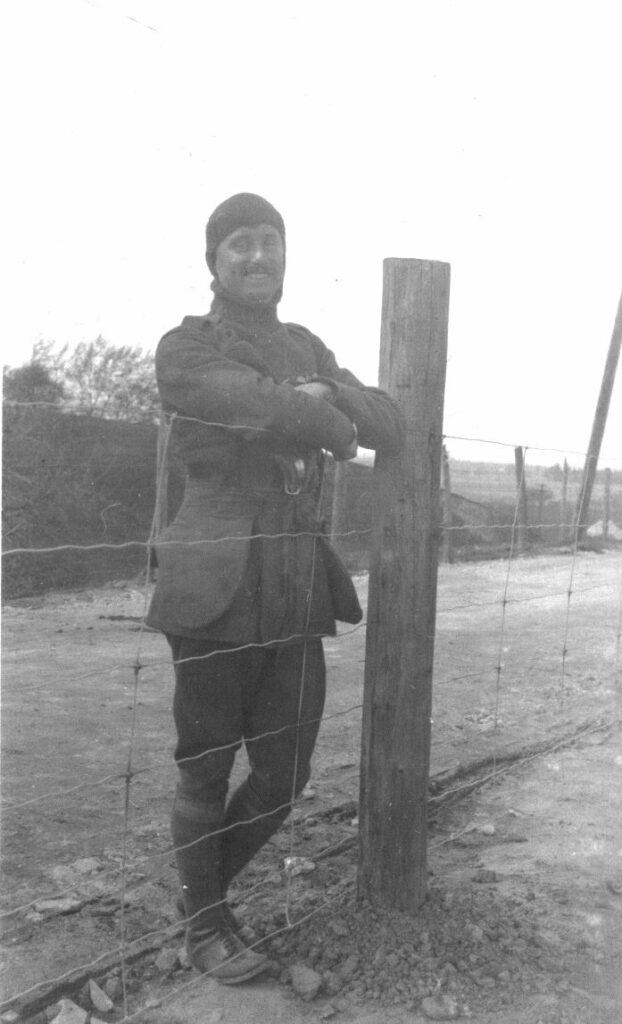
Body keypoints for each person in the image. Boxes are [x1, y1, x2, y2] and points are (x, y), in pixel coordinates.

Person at [146, 192, 401, 983]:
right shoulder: (185, 347)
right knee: (206, 765)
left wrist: (324, 400)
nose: (259, 257)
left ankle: (200, 908)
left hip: (296, 587)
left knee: (286, 772)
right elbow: (247, 401)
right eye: (241, 246)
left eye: (271, 243)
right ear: (213, 262)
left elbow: (386, 420)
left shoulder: (306, 345)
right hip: (214, 582)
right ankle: (206, 928)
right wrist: (322, 414)